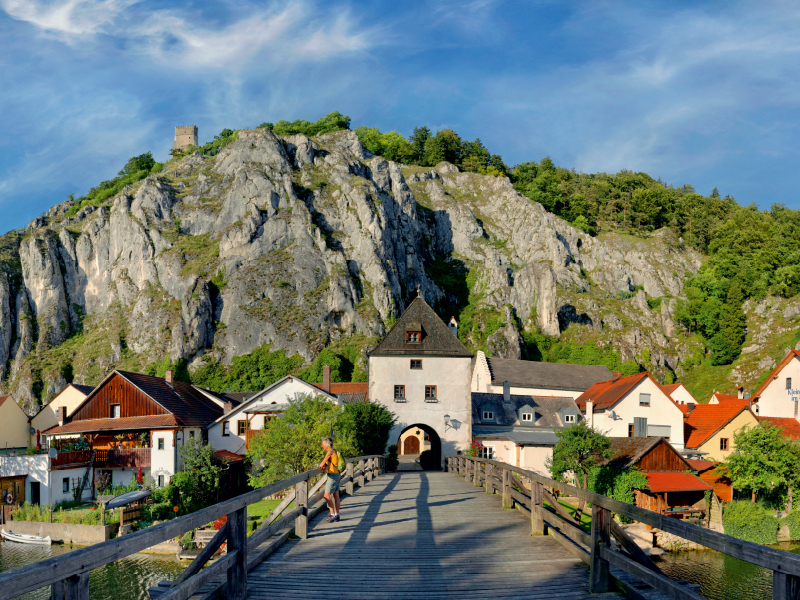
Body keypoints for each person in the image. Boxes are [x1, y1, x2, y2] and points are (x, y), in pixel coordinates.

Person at [319, 437, 342, 522]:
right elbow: (327, 463)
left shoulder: (329, 452)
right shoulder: (334, 451)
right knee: (336, 495)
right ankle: (337, 515)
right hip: (337, 474)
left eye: (322, 444)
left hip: (332, 476)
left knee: (326, 496)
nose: (322, 446)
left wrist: (323, 464)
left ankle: (332, 515)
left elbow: (321, 464)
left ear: (326, 444)